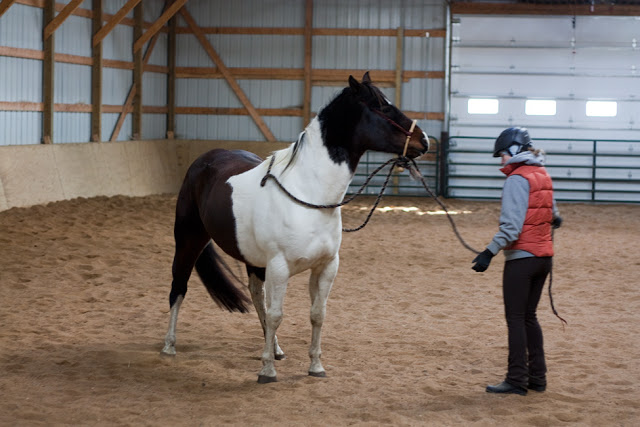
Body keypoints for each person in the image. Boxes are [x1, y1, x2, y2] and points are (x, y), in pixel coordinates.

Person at [471, 127, 562, 396]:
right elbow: (554, 215)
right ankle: (537, 378)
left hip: (522, 259)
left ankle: (516, 379)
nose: (501, 159)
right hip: (544, 258)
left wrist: (489, 252)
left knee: (516, 319)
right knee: (529, 317)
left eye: (501, 154)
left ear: (513, 150)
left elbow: (511, 227)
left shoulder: (516, 179)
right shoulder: (542, 174)